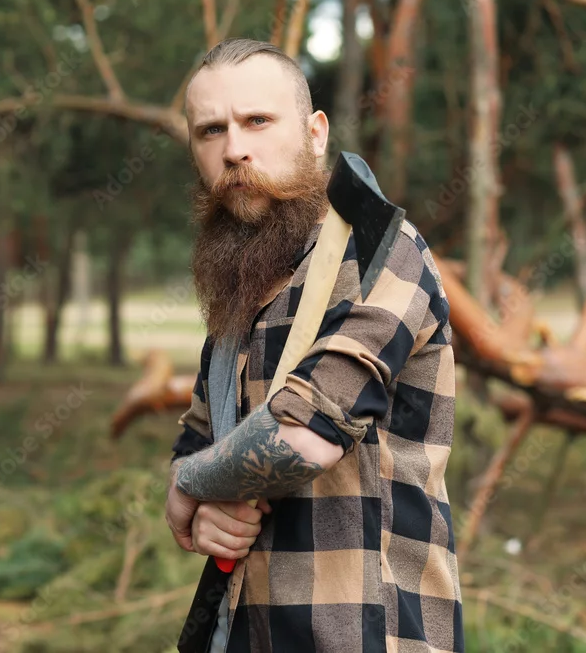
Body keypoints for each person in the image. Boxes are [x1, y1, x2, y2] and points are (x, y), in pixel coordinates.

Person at [163, 38, 463, 653]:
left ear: (315, 132)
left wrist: (188, 487)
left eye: (257, 121)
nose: (234, 149)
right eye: (211, 130)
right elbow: (199, 438)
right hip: (247, 630)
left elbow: (304, 439)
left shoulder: (381, 252)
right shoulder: (240, 283)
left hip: (368, 635)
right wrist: (205, 508)